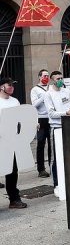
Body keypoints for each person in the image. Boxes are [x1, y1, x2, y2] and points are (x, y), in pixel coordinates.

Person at [44, 71, 70, 187]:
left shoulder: (66, 91)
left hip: (69, 125)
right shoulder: (48, 94)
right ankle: (56, 184)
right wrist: (66, 112)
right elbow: (51, 113)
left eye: (61, 78)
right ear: (52, 80)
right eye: (58, 79)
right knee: (56, 157)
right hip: (57, 127)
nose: (60, 80)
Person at [0, 78, 28, 208]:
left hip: (12, 141)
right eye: (9, 85)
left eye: (13, 85)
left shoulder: (15, 101)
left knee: (12, 170)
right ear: (1, 87)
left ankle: (14, 199)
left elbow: (20, 119)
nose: (11, 87)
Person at [30, 69, 51, 178]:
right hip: (41, 119)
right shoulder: (35, 90)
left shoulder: (51, 88)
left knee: (51, 143)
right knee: (41, 143)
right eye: (44, 76)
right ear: (39, 77)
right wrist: (44, 96)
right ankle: (41, 169)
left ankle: (52, 166)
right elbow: (34, 105)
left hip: (50, 118)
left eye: (48, 75)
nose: (46, 77)